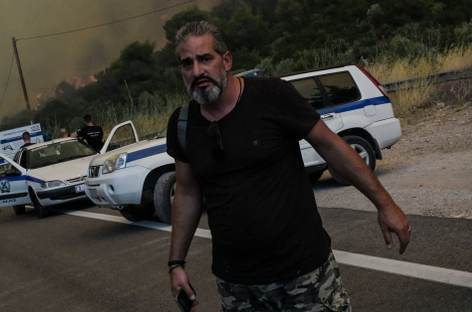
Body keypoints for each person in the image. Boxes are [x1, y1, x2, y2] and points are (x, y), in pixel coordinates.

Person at [167, 21, 411, 312]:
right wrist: (176, 263)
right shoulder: (182, 123)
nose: (197, 71)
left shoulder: (273, 96)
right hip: (238, 285)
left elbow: (332, 147)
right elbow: (188, 191)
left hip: (304, 272)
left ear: (227, 60)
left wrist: (385, 204)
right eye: (187, 63)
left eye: (205, 59)